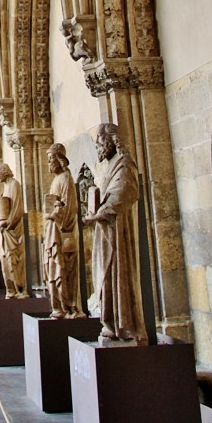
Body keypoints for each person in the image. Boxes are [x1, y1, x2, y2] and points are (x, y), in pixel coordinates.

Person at [83, 123, 146, 342]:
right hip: (105, 231)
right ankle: (109, 321)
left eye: (100, 141)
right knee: (103, 278)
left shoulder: (124, 163)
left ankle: (124, 323)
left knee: (115, 274)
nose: (98, 146)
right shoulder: (109, 166)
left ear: (111, 141)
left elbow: (124, 192)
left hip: (117, 231)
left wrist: (100, 213)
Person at [42, 143, 83, 318]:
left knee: (64, 269)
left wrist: (55, 214)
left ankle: (70, 306)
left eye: (52, 159)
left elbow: (69, 207)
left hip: (62, 232)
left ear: (60, 159)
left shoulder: (66, 178)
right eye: (48, 159)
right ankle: (58, 306)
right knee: (53, 269)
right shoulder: (56, 180)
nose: (49, 163)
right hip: (52, 232)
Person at [0, 162, 28, 297]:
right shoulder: (5, 187)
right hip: (5, 231)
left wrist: (8, 223)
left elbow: (17, 208)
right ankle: (11, 289)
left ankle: (20, 288)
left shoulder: (14, 185)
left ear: (4, 172)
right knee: (5, 261)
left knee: (14, 260)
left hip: (13, 230)